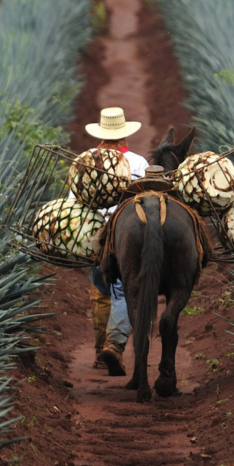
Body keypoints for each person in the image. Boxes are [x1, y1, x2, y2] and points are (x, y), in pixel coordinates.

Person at [83, 107, 148, 367]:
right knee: (123, 290)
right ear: (124, 136)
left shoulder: (87, 161)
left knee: (101, 291)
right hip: (129, 235)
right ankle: (114, 345)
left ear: (101, 135)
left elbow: (73, 203)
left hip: (96, 234)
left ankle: (102, 352)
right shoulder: (139, 162)